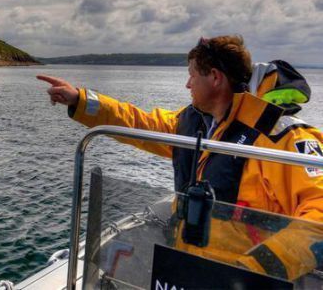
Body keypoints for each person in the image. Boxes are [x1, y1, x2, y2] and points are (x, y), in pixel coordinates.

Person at [38, 35, 323, 280]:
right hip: (188, 265)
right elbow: (140, 124)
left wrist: (252, 270)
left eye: (192, 75)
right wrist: (81, 100)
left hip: (241, 277)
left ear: (215, 78)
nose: (187, 84)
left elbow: (319, 216)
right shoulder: (192, 124)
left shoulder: (281, 139)